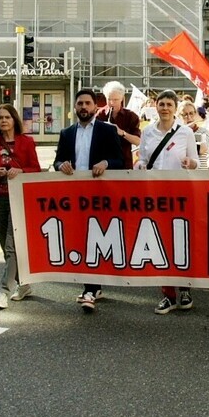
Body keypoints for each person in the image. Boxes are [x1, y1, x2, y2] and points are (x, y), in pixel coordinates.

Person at [53, 89, 124, 313]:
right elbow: (57, 161)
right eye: (80, 103)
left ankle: (91, 289)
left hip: (99, 195)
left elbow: (119, 160)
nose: (83, 107)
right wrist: (61, 165)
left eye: (87, 103)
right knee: (81, 239)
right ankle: (93, 287)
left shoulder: (107, 130)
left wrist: (105, 163)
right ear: (75, 107)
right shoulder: (66, 133)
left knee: (95, 238)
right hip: (75, 196)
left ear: (95, 107)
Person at [134, 90, 199, 314]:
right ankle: (168, 294)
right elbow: (142, 159)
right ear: (156, 106)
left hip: (180, 194)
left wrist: (189, 162)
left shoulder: (185, 132)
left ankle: (185, 288)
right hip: (154, 194)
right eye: (161, 104)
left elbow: (196, 162)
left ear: (175, 108)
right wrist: (140, 166)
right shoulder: (148, 132)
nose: (165, 108)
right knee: (160, 241)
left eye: (169, 104)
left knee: (180, 240)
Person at [0, 104, 42, 310]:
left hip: (19, 199)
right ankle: (24, 284)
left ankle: (3, 292)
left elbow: (36, 169)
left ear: (14, 120)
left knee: (11, 247)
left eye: (7, 117)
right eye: (0, 118)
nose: (3, 121)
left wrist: (20, 170)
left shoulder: (27, 142)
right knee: (6, 248)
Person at [97, 81, 142, 169]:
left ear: (122, 99)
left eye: (115, 100)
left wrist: (121, 132)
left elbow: (138, 141)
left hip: (124, 163)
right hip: (104, 163)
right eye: (109, 99)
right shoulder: (100, 114)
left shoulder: (131, 116)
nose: (112, 103)